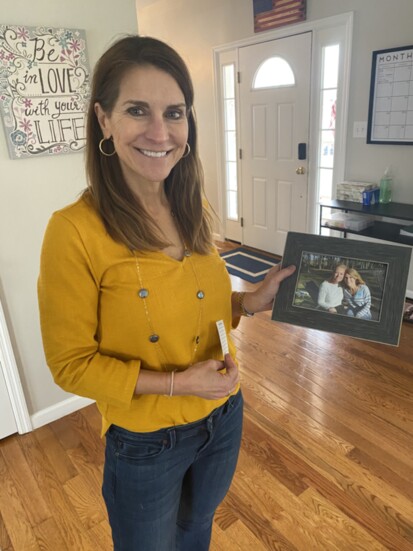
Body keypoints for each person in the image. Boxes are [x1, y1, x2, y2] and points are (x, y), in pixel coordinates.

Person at [37, 35, 295, 551]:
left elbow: (195, 309)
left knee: (197, 529)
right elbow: (71, 365)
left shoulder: (192, 205)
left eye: (174, 113)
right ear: (104, 120)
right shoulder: (74, 231)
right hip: (147, 443)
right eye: (138, 110)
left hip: (224, 416)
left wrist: (247, 301)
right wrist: (179, 386)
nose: (161, 132)